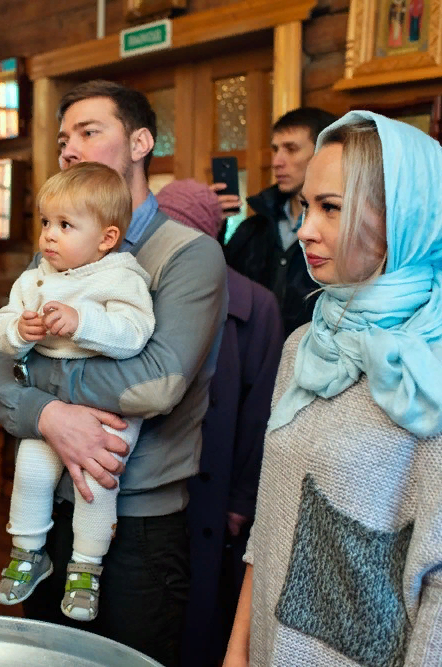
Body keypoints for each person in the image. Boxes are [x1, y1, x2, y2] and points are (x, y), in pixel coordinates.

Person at [223, 112, 442, 666]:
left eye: (331, 207)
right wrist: (238, 650)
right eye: (306, 206)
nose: (305, 229)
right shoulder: (308, 343)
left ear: (404, 219)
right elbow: (273, 515)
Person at [0, 80, 228, 666]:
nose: (69, 148)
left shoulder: (187, 254)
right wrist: (50, 417)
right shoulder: (57, 250)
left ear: (140, 142)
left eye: (89, 132)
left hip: (137, 519)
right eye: (64, 138)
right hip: (47, 510)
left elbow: (159, 382)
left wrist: (35, 389)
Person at [0, 163, 155, 622]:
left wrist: (84, 323)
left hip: (106, 409)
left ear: (106, 238)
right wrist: (19, 331)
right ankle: (28, 552)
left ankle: (86, 567)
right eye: (46, 222)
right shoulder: (34, 279)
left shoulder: (121, 276)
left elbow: (135, 332)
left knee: (95, 484)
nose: (49, 235)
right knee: (30, 470)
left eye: (65, 225)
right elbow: (1, 329)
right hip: (51, 403)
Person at [154, 179, 284, 667]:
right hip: (147, 480)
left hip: (212, 488)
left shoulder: (256, 304)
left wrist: (241, 501)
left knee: (200, 616)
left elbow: (261, 417)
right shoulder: (136, 290)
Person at [220, 107, 339, 335]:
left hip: (311, 359)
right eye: (275, 150)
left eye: (291, 149)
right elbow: (219, 286)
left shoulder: (341, 230)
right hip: (254, 362)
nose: (277, 162)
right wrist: (215, 226)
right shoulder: (252, 229)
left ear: (322, 153)